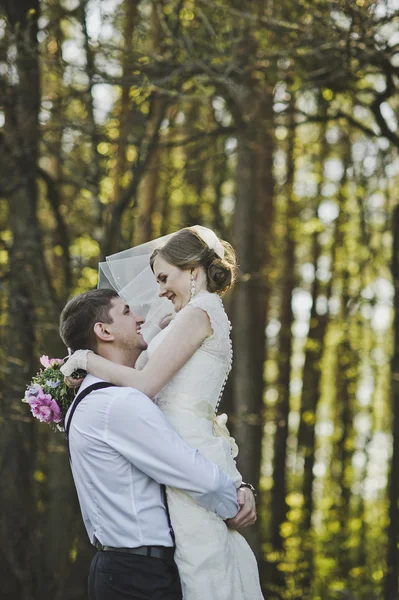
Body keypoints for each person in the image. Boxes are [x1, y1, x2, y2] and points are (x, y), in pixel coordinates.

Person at [62, 226, 264, 600]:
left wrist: (86, 359)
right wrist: (154, 327)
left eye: (163, 278)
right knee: (199, 562)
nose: (158, 291)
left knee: (204, 566)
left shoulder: (197, 313)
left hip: (187, 445)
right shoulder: (187, 316)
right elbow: (141, 368)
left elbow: (144, 384)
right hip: (184, 448)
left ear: (192, 269)